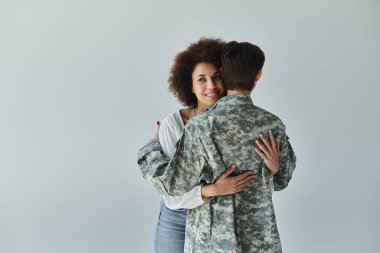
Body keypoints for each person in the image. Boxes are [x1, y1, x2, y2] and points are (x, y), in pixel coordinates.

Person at [138, 41, 296, 252]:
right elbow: (282, 181)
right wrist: (274, 169)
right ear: (259, 74)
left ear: (224, 75)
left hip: (210, 241)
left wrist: (149, 149)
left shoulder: (201, 127)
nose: (210, 85)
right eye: (201, 79)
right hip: (260, 241)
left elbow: (169, 184)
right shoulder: (272, 124)